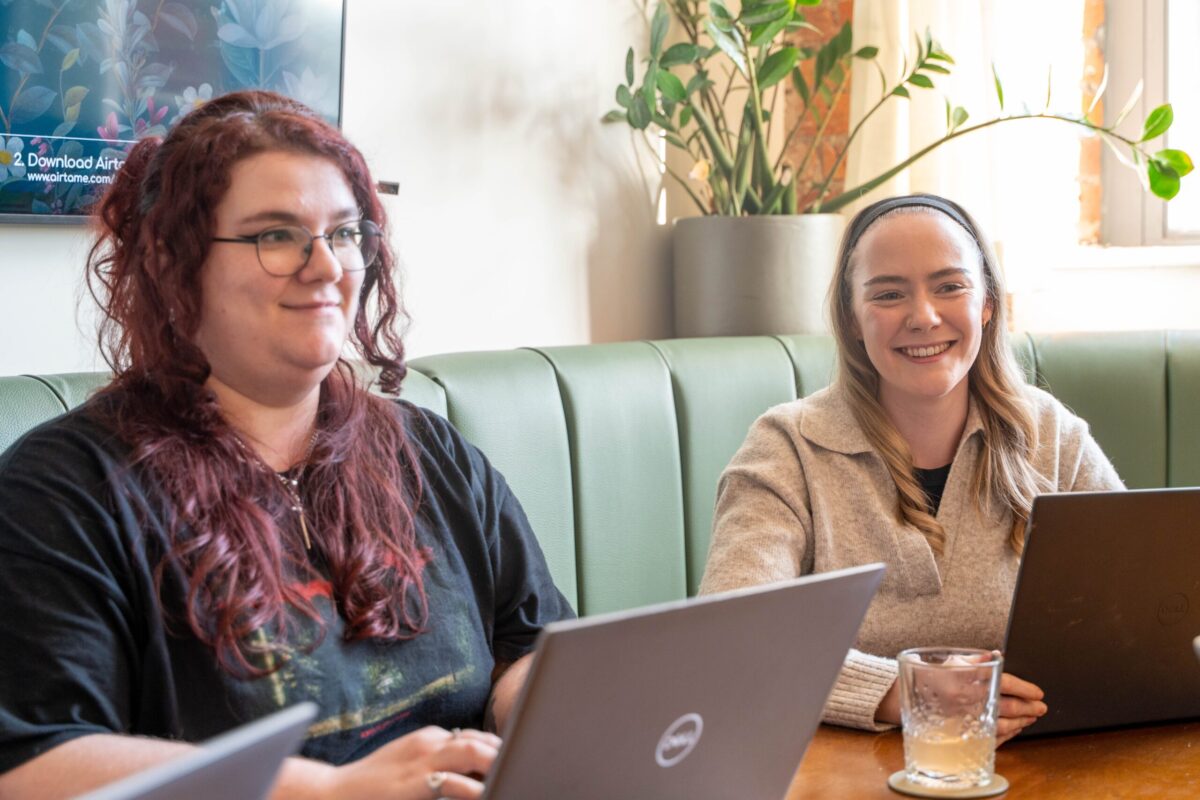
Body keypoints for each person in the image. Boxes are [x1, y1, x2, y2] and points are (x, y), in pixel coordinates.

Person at [0, 90, 573, 799]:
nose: (327, 266)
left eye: (343, 232)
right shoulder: (64, 489)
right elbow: (31, 767)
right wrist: (328, 792)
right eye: (276, 235)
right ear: (172, 264)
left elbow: (529, 644)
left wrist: (551, 718)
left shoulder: (430, 453)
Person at [699, 194, 1123, 744]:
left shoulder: (1053, 436)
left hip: (1036, 764)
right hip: (845, 774)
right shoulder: (786, 448)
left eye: (950, 286)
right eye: (889, 294)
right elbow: (728, 635)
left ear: (988, 303)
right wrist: (903, 693)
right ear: (852, 319)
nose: (923, 317)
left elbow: (1135, 613)